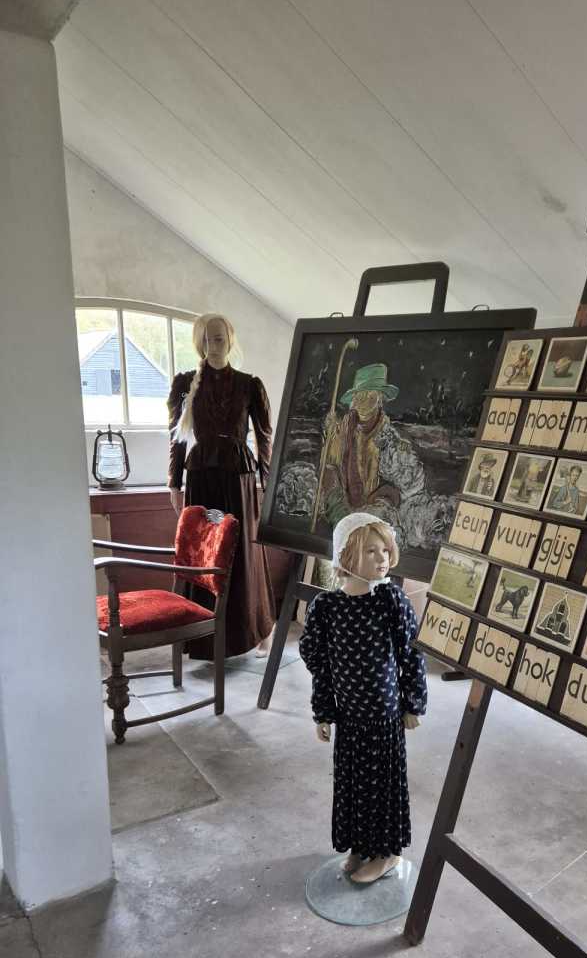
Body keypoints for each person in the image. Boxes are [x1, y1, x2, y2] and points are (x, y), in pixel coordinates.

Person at [298, 513, 427, 885]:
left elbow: (411, 653)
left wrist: (412, 703)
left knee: (381, 787)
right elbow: (320, 664)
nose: (381, 558)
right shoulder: (327, 607)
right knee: (354, 784)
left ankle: (386, 853)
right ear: (345, 555)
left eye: (385, 550)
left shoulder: (390, 600)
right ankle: (360, 844)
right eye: (371, 551)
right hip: (349, 718)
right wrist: (323, 712)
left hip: (384, 717)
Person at [167, 313, 275, 658]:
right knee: (201, 552)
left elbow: (264, 437)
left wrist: (267, 481)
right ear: (198, 343)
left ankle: (256, 630)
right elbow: (177, 438)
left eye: (218, 338)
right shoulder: (185, 383)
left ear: (230, 339)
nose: (213, 345)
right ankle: (201, 637)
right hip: (200, 477)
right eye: (206, 339)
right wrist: (174, 483)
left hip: (238, 477)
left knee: (241, 552)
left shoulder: (249, 384)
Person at [318, 363, 426, 524]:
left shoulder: (392, 444)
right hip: (340, 518)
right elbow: (328, 470)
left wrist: (380, 506)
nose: (364, 402)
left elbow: (401, 492)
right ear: (353, 400)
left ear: (380, 399)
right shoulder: (341, 433)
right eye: (360, 396)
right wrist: (330, 435)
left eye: (371, 397)